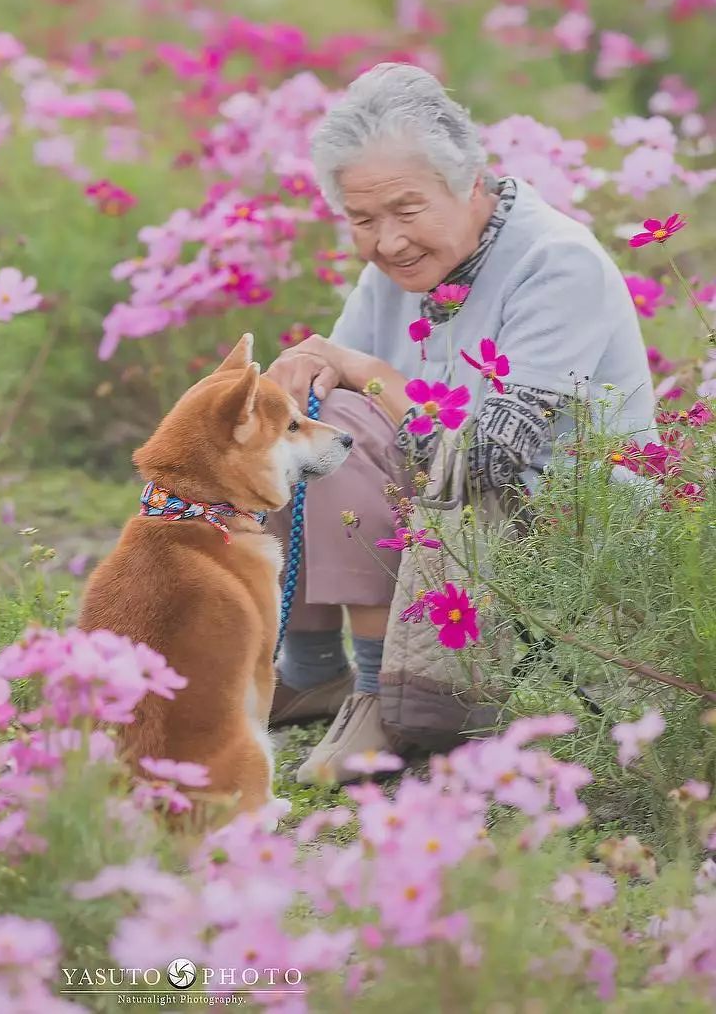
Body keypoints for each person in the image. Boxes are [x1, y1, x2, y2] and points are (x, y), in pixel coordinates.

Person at [264, 62, 656, 784]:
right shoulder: (393, 270)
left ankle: (379, 695)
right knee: (296, 422)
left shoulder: (555, 261)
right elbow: (334, 389)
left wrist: (366, 374)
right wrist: (303, 375)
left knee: (345, 423)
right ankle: (310, 668)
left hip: (561, 512)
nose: (386, 242)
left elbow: (487, 462)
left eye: (407, 209)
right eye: (362, 219)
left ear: (472, 181)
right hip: (441, 497)